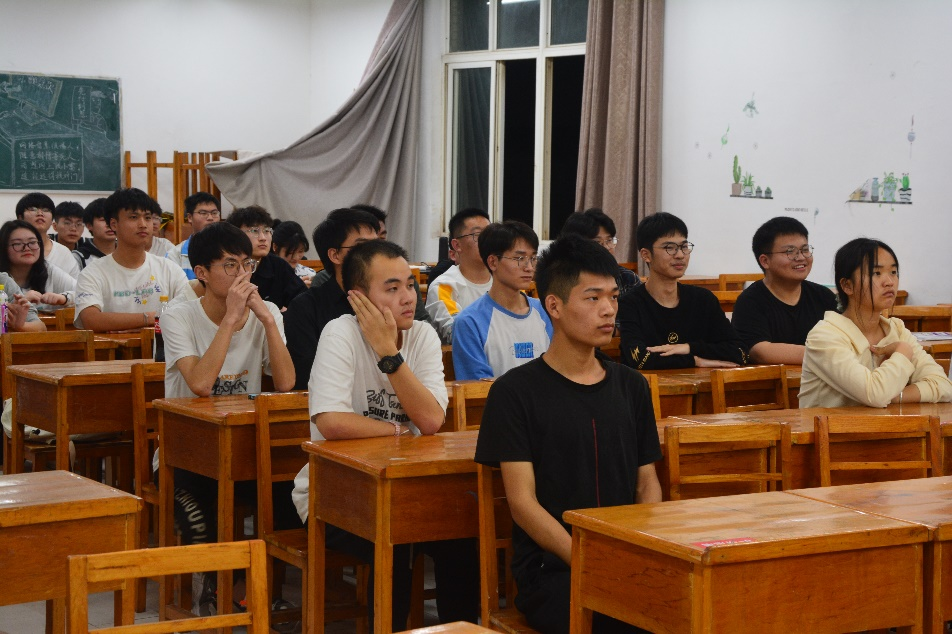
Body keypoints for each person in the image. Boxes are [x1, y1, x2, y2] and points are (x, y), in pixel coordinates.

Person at [474, 235, 662, 634]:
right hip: (554, 568)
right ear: (554, 306)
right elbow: (522, 503)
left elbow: (647, 484)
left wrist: (639, 552)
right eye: (592, 298)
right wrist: (586, 557)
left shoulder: (632, 386)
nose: (608, 309)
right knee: (617, 619)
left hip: (625, 557)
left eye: (613, 297)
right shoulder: (514, 392)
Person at [290, 240, 478, 629]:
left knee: (462, 535)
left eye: (409, 284)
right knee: (397, 537)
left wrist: (389, 354)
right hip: (333, 492)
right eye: (392, 289)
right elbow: (332, 422)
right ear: (358, 298)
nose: (408, 297)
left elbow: (431, 421)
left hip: (406, 490)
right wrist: (398, 429)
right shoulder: (339, 333)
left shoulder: (423, 336)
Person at [158, 221, 296, 616]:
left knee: (288, 496)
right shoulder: (178, 315)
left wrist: (267, 320)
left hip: (244, 444)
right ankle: (212, 594)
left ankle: (258, 591)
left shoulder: (266, 313)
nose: (242, 275)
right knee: (201, 511)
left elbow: (285, 383)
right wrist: (230, 320)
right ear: (202, 272)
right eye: (230, 265)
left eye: (247, 265)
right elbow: (201, 384)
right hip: (187, 449)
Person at [799, 238, 952, 408]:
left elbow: (944, 386)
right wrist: (903, 351)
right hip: (830, 426)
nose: (889, 282)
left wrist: (896, 396)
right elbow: (875, 394)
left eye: (893, 272)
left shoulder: (896, 330)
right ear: (847, 285)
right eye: (876, 273)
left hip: (883, 424)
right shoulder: (824, 336)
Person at [618, 212, 748, 369]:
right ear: (646, 255)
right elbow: (639, 359)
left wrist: (689, 348)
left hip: (704, 383)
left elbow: (740, 352)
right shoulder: (630, 303)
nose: (680, 255)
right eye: (669, 248)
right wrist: (695, 361)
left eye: (684, 247)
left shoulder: (703, 299)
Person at [284, 208, 379, 390]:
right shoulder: (305, 308)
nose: (376, 254)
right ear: (335, 255)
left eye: (377, 245)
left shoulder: (389, 300)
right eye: (363, 246)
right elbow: (308, 377)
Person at [74, 188, 192, 331]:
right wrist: (150, 318)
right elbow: (91, 320)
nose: (143, 224)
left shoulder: (169, 269)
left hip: (163, 345)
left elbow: (189, 312)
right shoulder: (92, 273)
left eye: (147, 218)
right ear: (114, 224)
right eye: (133, 217)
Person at [453, 221, 553, 380]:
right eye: (519, 258)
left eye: (533, 258)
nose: (529, 267)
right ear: (493, 262)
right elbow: (476, 388)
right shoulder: (470, 322)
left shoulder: (546, 312)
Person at [731, 217, 837, 365]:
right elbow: (760, 351)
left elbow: (844, 338)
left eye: (805, 250)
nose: (801, 257)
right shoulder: (750, 301)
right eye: (790, 252)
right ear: (765, 261)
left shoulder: (823, 296)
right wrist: (828, 355)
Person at [425, 208, 492, 343]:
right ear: (457, 245)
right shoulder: (444, 286)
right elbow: (458, 333)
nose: (488, 241)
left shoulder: (505, 281)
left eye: (491, 234)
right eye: (478, 235)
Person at [225, 206, 306, 311]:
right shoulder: (225, 266)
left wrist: (280, 317)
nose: (263, 238)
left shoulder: (278, 266)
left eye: (267, 231)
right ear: (235, 234)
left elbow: (304, 303)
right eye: (254, 231)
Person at [560, 208, 642, 295]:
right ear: (574, 245)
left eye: (609, 240)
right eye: (597, 242)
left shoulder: (627, 278)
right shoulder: (561, 279)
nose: (606, 247)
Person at [0, 220, 75, 312]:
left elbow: (86, 294)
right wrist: (19, 303)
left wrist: (64, 298)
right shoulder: (2, 278)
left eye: (32, 242)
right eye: (18, 244)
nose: (27, 248)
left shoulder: (48, 270)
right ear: (3, 248)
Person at [15, 192, 80, 279]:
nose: (40, 213)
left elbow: (75, 286)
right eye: (33, 209)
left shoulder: (63, 253)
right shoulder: (9, 250)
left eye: (46, 210)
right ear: (20, 217)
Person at [166, 192, 221, 280]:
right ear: (190, 217)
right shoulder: (174, 256)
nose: (210, 218)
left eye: (214, 213)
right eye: (203, 213)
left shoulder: (231, 250)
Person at [73, 198, 117, 271]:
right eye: (103, 220)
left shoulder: (129, 253)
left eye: (114, 220)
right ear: (89, 225)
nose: (110, 224)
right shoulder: (79, 258)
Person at [272, 220, 315, 286]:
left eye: (300, 251)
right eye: (290, 252)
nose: (296, 257)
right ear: (275, 247)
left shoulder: (309, 274)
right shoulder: (266, 275)